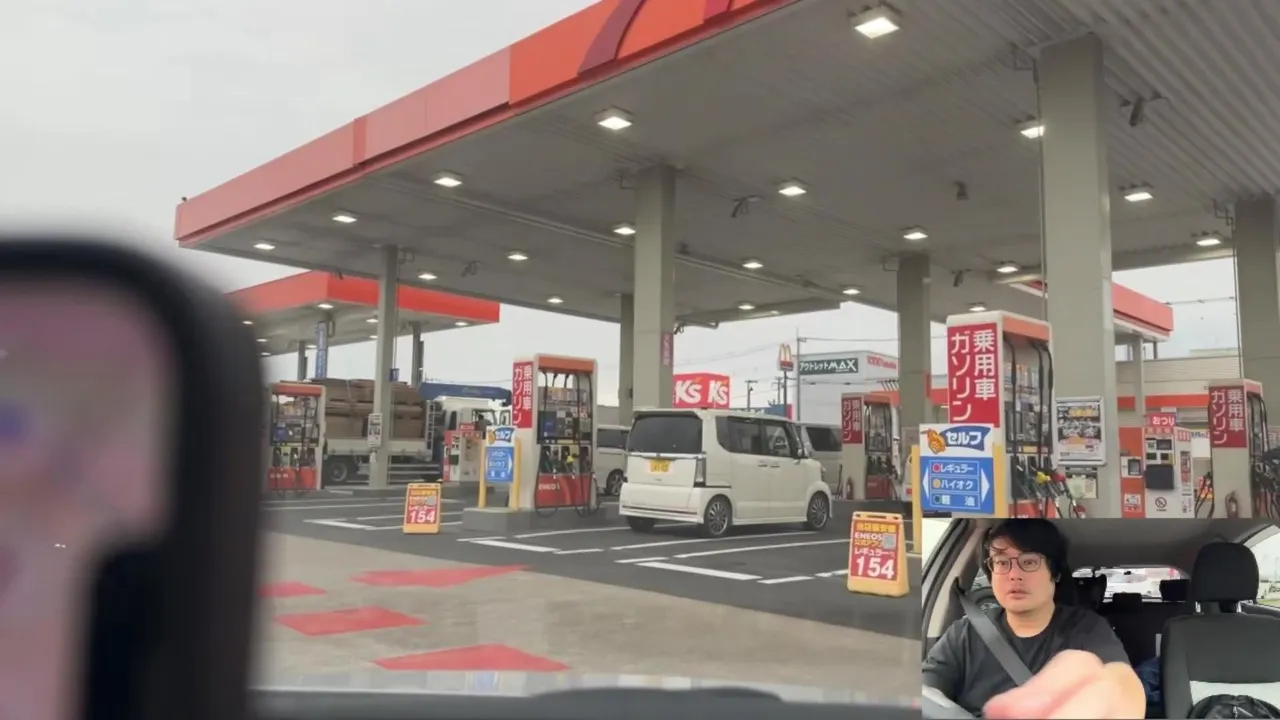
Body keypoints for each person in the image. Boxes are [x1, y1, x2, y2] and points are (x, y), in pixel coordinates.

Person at [922, 519, 1146, 719]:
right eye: (1002, 563)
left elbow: (1120, 681)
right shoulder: (964, 633)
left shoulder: (1087, 629)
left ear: (1055, 573)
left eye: (1029, 562)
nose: (1014, 575)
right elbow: (927, 692)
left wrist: (1120, 703)